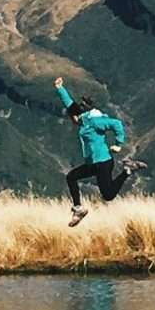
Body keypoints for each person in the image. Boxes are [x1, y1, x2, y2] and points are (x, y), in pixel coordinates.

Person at [55, 81, 129, 223]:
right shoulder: (83, 118)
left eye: (73, 118)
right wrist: (59, 88)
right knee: (71, 177)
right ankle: (78, 208)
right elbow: (69, 104)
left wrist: (119, 144)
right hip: (93, 163)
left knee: (107, 195)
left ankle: (127, 171)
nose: (73, 121)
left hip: (103, 162)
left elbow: (116, 124)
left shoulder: (94, 120)